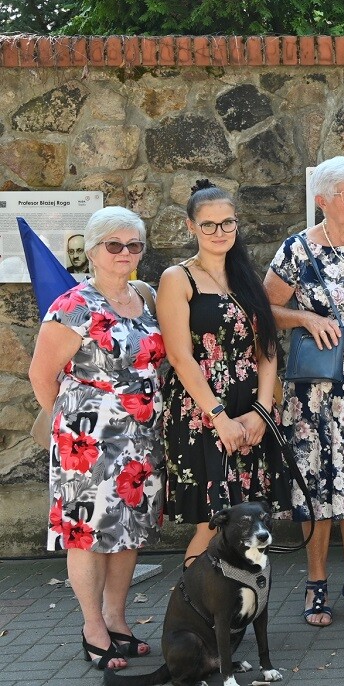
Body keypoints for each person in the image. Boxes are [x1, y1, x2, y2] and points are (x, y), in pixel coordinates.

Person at [28, 207, 166, 671]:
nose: (125, 253)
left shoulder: (145, 297)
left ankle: (116, 618)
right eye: (114, 245)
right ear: (91, 250)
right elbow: (41, 375)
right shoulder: (72, 305)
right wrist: (75, 421)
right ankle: (92, 627)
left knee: (129, 530)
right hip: (86, 442)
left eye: (134, 245)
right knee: (87, 534)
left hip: (141, 438)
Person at [264, 155, 344, 626]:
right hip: (314, 394)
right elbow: (264, 310)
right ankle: (316, 582)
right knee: (316, 486)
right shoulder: (297, 250)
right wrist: (304, 317)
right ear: (321, 200)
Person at [158, 181, 291, 564]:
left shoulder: (247, 277)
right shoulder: (177, 278)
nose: (220, 232)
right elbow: (179, 357)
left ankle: (238, 598)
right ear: (191, 227)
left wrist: (262, 411)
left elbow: (267, 349)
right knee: (213, 524)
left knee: (248, 518)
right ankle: (191, 600)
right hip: (202, 412)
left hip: (250, 410)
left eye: (227, 223)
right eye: (209, 225)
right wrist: (218, 417)